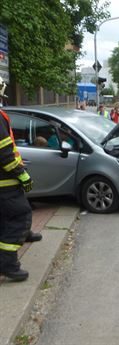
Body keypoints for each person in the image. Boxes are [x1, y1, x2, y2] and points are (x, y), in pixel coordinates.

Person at [0, 77, 40, 282]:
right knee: (21, 215)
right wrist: (22, 174)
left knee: (6, 218)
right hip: (5, 181)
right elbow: (4, 152)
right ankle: (8, 264)